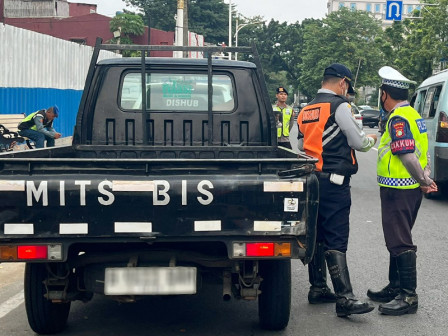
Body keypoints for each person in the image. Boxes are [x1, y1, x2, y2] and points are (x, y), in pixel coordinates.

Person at [297, 63, 377, 317]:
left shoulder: (306, 109)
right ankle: (345, 298)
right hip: (334, 182)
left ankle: (318, 288)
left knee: (317, 234)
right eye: (348, 86)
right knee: (336, 238)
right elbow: (357, 141)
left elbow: (295, 143)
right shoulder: (339, 106)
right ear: (343, 82)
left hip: (311, 181)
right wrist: (371, 140)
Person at [367, 66, 438, 316]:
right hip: (408, 189)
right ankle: (395, 287)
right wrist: (426, 177)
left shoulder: (398, 118)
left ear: (385, 94)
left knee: (399, 240)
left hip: (399, 188)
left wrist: (423, 180)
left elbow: (407, 154)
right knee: (398, 236)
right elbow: (423, 150)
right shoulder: (413, 114)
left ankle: (408, 296)